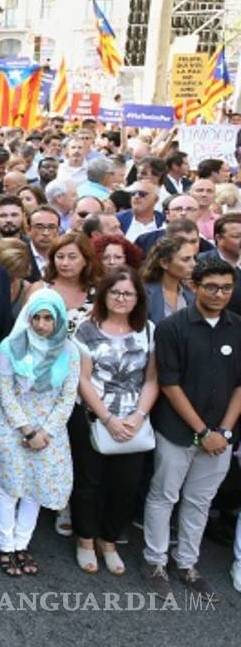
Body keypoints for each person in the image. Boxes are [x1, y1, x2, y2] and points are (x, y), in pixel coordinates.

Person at [142, 257, 241, 601]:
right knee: (164, 495)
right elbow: (169, 383)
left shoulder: (239, 328)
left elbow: (240, 386)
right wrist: (202, 431)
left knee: (200, 501)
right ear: (194, 286)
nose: (219, 294)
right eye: (211, 286)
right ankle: (155, 561)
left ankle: (187, 563)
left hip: (221, 437)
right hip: (177, 431)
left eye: (227, 287)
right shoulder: (172, 328)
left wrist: (224, 432)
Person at [0, 289, 81, 577]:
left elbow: (68, 395)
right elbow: (5, 392)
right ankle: (5, 545)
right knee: (10, 488)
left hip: (51, 429)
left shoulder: (70, 351)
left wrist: (45, 431)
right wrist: (27, 429)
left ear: (59, 319)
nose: (42, 325)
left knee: (35, 488)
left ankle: (22, 544)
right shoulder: (9, 347)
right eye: (36, 317)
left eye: (49, 318)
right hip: (13, 424)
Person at [69, 268, 158, 576]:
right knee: (88, 483)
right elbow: (82, 378)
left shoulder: (148, 330)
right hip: (93, 416)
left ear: (138, 298)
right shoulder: (85, 329)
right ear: (104, 294)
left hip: (134, 419)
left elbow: (152, 379)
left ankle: (109, 540)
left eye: (128, 293)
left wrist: (137, 416)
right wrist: (107, 418)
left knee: (125, 486)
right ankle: (85, 539)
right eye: (115, 292)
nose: (121, 298)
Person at [141, 235, 197, 325]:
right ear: (164, 263)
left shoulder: (192, 296)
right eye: (186, 259)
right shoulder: (144, 295)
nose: (194, 264)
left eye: (194, 258)